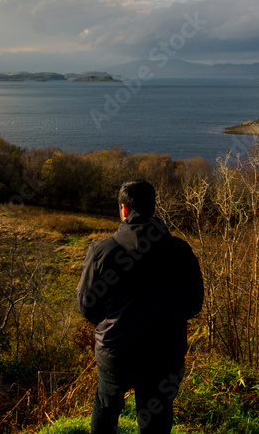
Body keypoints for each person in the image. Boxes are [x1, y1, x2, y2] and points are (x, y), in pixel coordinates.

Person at [77, 180, 204, 434]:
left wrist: (114, 320)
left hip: (115, 352)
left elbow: (88, 307)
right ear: (154, 210)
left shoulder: (102, 251)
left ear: (124, 210)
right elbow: (193, 304)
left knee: (106, 409)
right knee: (156, 419)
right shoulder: (180, 251)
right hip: (164, 356)